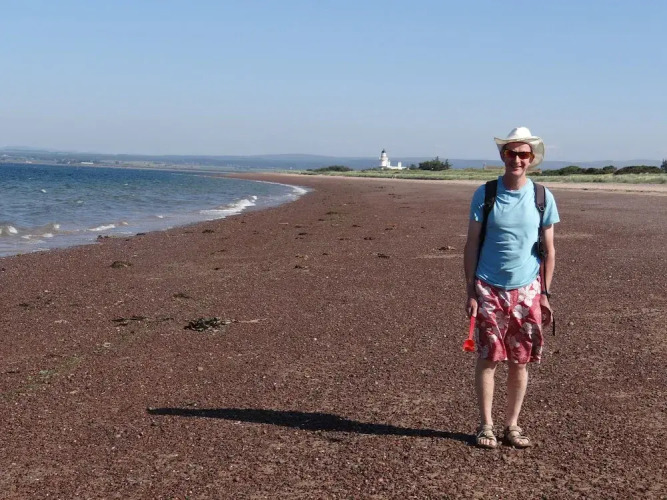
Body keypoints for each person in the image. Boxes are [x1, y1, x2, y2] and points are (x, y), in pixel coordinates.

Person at [463, 127, 560, 449]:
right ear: (502, 155)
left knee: (520, 361)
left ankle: (512, 426)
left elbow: (549, 250)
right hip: (488, 287)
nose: (516, 159)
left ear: (531, 159)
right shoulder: (485, 193)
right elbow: (471, 244)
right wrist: (471, 291)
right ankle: (486, 426)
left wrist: (544, 294)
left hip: (528, 290)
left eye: (523, 154)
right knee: (488, 358)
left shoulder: (542, 197)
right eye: (510, 153)